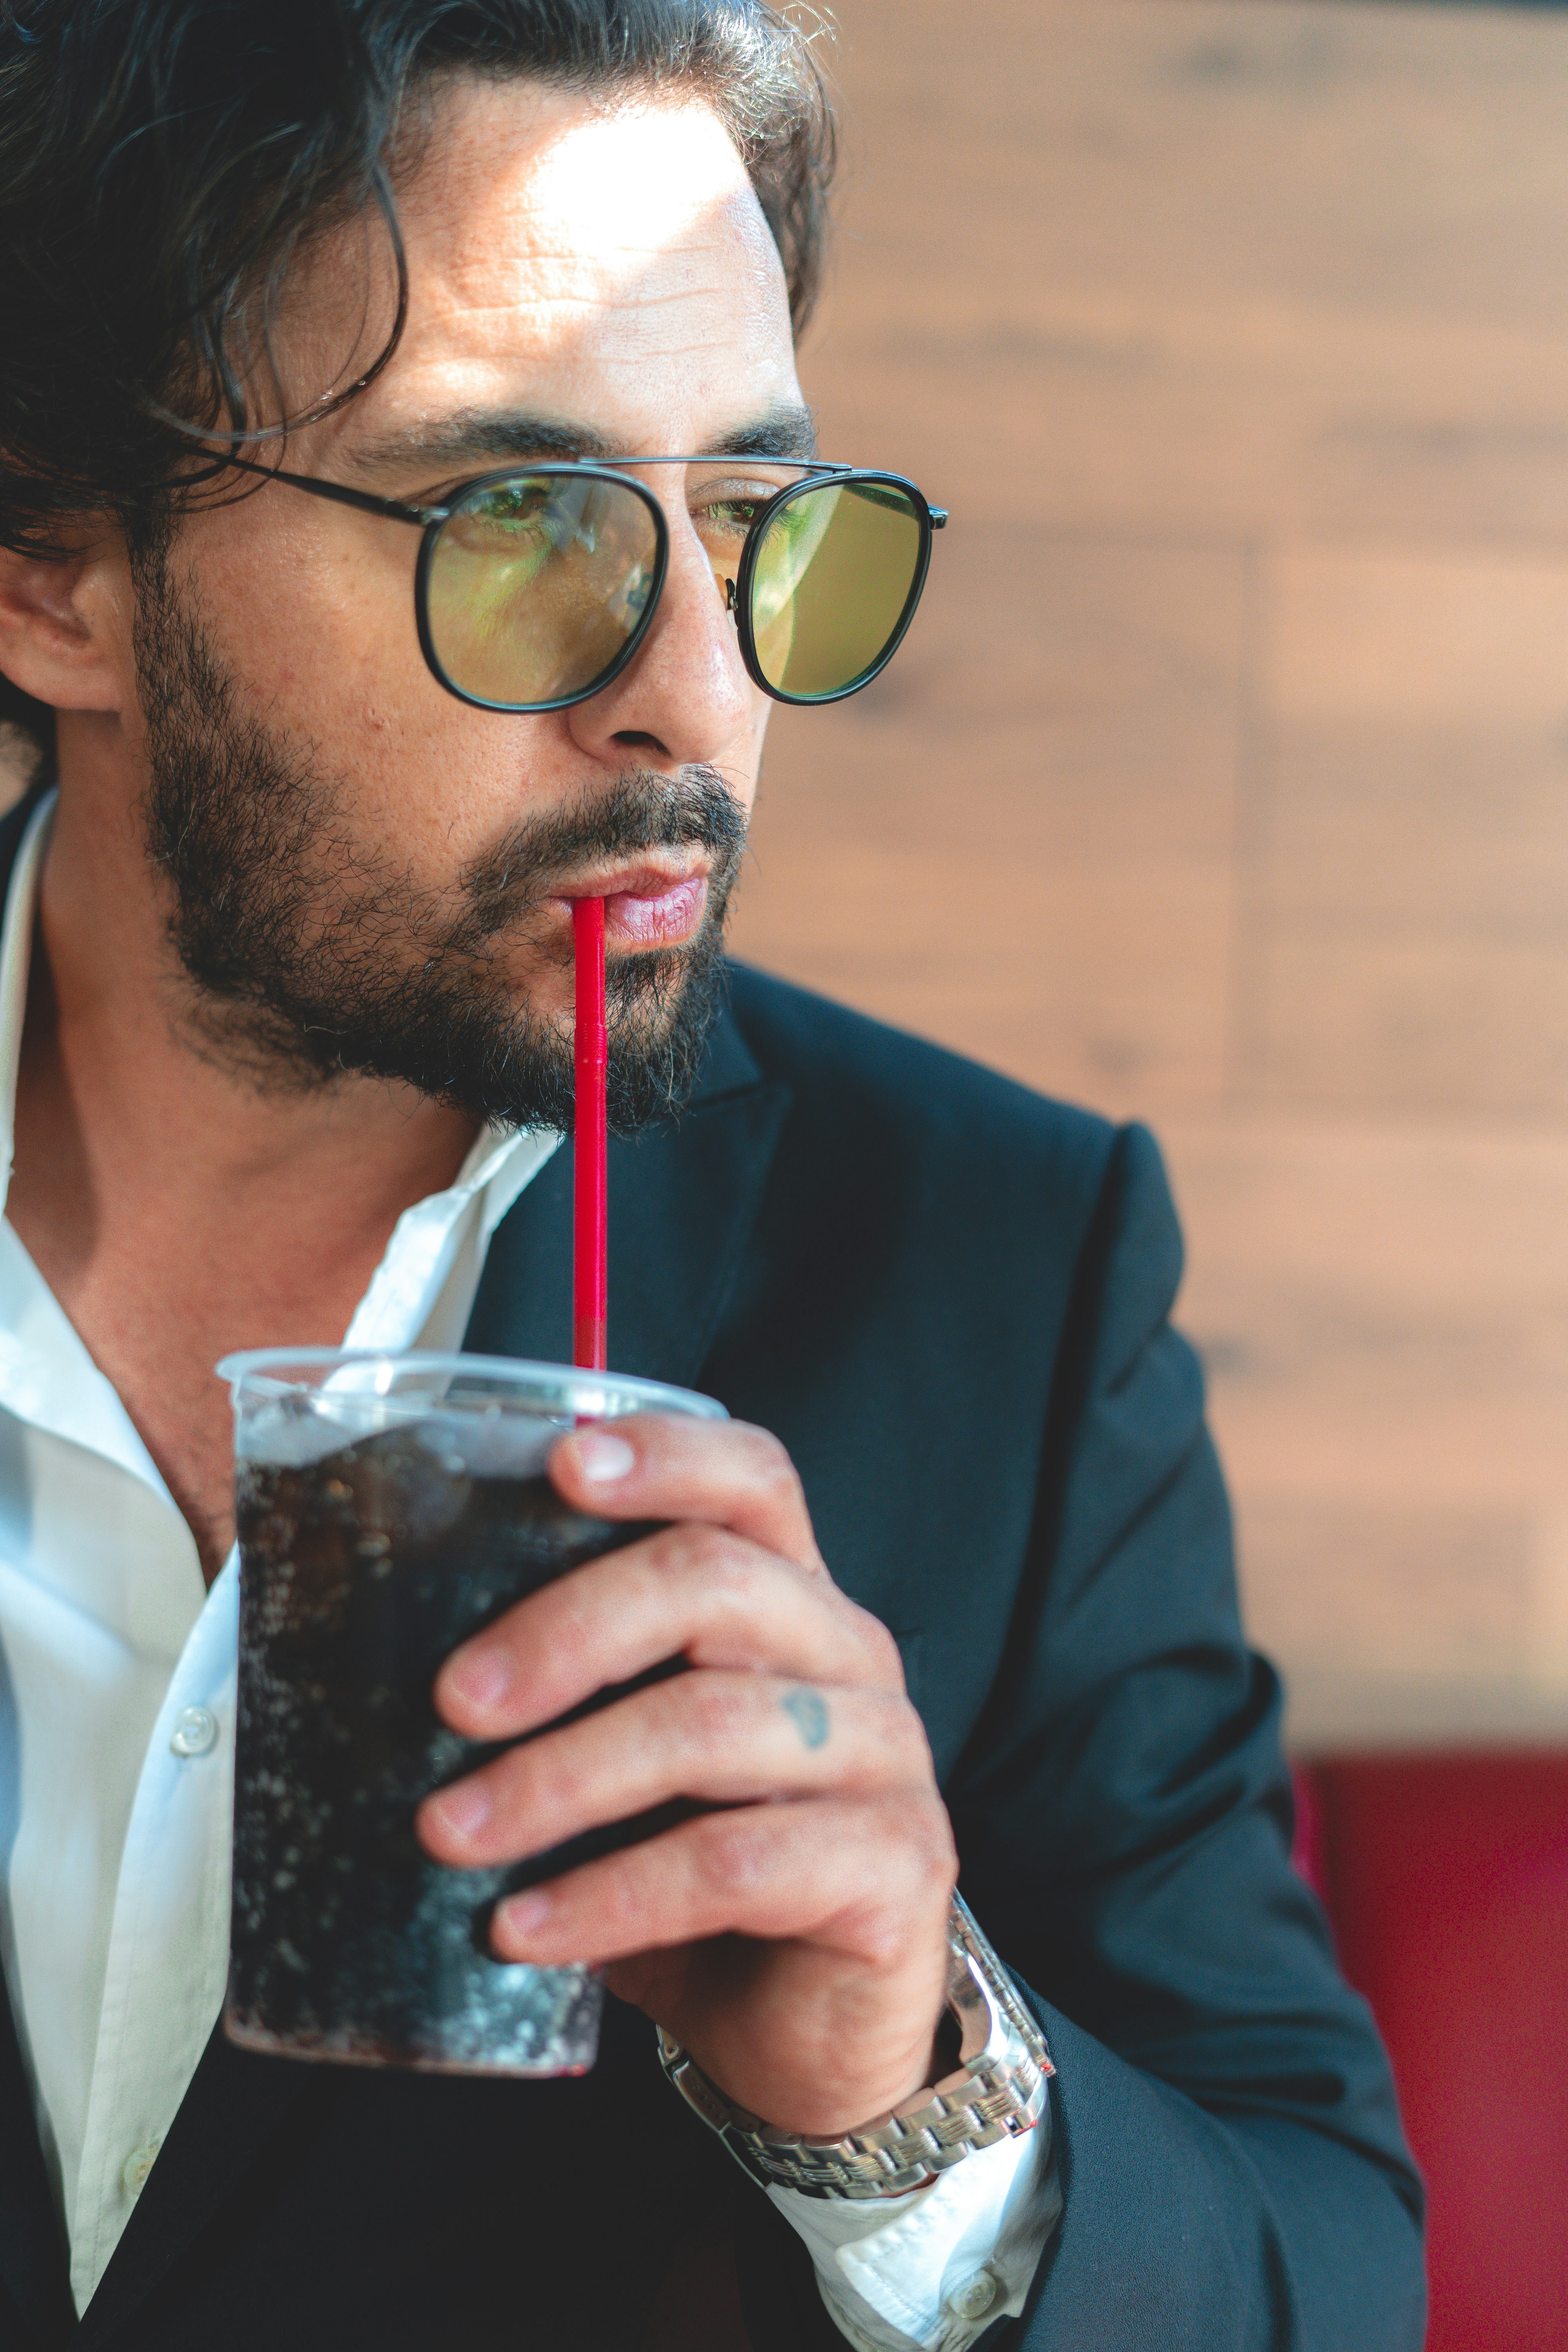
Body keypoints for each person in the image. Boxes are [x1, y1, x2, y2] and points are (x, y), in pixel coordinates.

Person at [0, 4, 1423, 2347]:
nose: (698, 693)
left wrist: (912, 2087)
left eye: (754, 522)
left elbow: (1336, 2284)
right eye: (518, 524)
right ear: (60, 573)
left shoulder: (998, 1277)